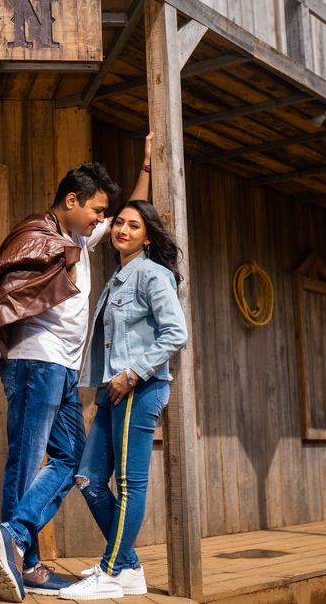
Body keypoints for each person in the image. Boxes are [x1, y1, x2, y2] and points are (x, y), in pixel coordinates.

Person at [0, 134, 154, 602]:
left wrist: (147, 167)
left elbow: (127, 214)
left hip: (62, 369)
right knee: (25, 457)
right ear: (71, 201)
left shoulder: (77, 234)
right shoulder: (41, 236)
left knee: (70, 458)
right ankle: (23, 560)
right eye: (98, 211)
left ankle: (17, 539)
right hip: (36, 361)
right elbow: (9, 286)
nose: (104, 221)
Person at [57, 200, 188, 601]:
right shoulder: (119, 277)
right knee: (89, 479)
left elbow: (175, 332)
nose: (123, 230)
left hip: (138, 389)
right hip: (111, 390)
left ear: (147, 236)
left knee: (130, 484)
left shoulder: (151, 274)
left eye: (134, 226)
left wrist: (133, 374)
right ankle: (127, 566)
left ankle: (112, 571)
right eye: (120, 223)